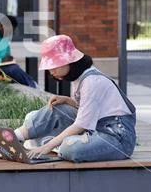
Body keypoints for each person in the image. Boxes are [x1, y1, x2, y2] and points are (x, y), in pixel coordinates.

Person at [12, 34, 136, 162]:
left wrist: (48, 146)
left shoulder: (92, 81)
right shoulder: (81, 77)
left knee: (69, 149)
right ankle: (14, 136)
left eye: (54, 66)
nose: (51, 72)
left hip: (117, 137)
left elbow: (81, 124)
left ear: (69, 61)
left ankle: (54, 142)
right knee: (58, 108)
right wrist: (67, 100)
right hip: (94, 127)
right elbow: (87, 109)